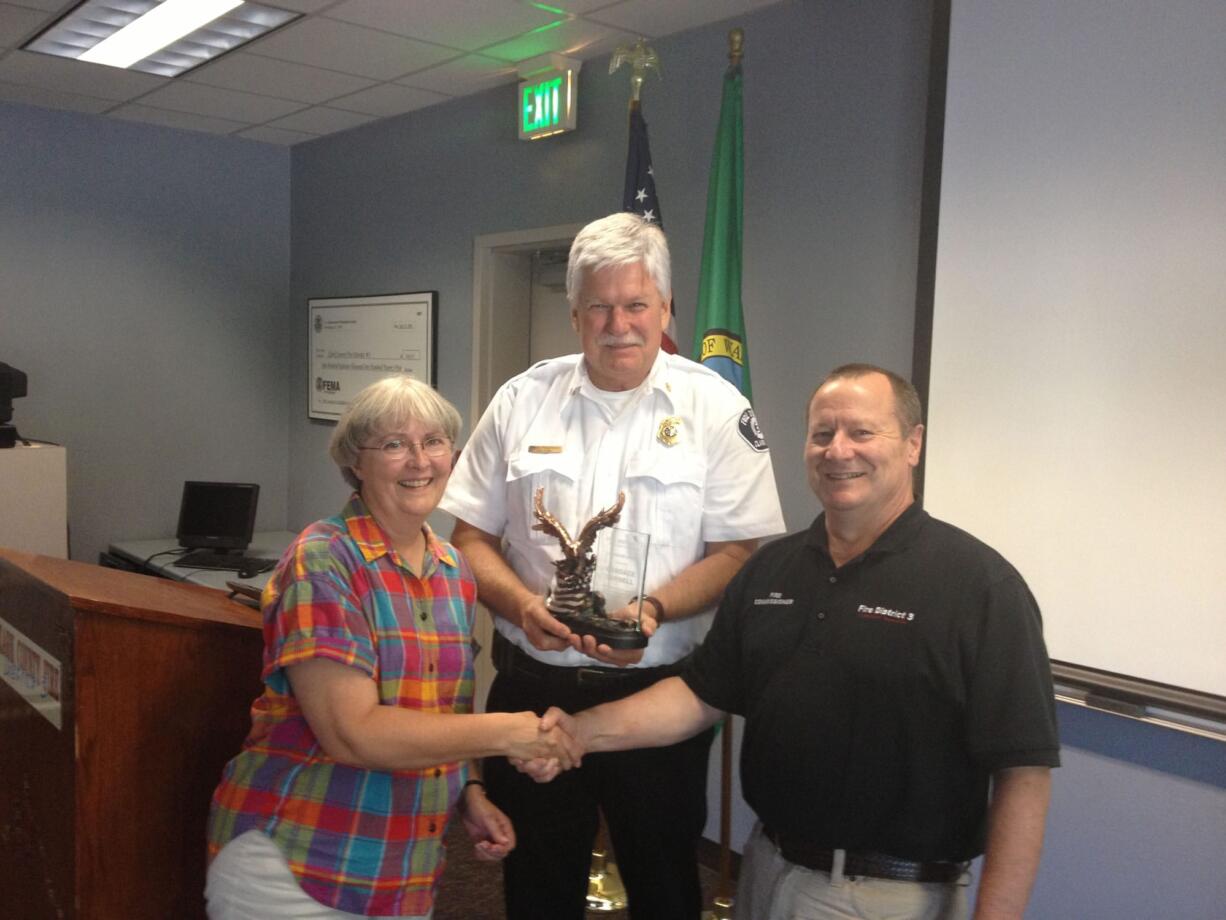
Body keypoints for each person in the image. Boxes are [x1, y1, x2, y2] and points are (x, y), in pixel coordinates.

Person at [526, 364, 1060, 920]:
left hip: (888, 897)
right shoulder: (771, 571)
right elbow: (697, 696)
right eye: (822, 434)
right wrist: (580, 733)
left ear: (913, 444)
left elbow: (1023, 773)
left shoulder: (980, 587)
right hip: (767, 872)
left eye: (861, 432)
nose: (838, 450)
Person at [440, 212, 785, 919]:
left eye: (636, 305)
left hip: (658, 700)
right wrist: (519, 607)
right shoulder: (520, 401)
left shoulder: (715, 408)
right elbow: (468, 539)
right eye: (599, 306)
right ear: (574, 315)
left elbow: (737, 552)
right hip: (533, 690)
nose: (618, 324)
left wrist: (654, 610)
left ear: (666, 309)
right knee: (536, 883)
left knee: (664, 885)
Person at [205, 375, 579, 919]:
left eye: (433, 442)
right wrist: (512, 734)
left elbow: (446, 708)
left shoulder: (453, 569)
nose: (419, 461)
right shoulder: (323, 560)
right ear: (356, 462)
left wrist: (470, 789)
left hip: (403, 873)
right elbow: (352, 733)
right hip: (300, 864)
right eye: (394, 444)